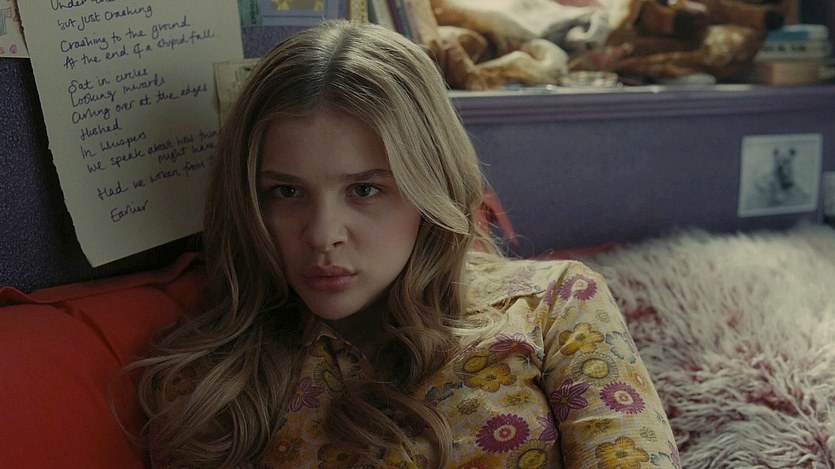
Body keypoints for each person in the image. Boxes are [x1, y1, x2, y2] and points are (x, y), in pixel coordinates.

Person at [130, 19, 679, 468]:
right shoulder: (211, 382)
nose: (322, 235)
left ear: (429, 186)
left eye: (365, 189)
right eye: (286, 192)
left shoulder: (555, 305)